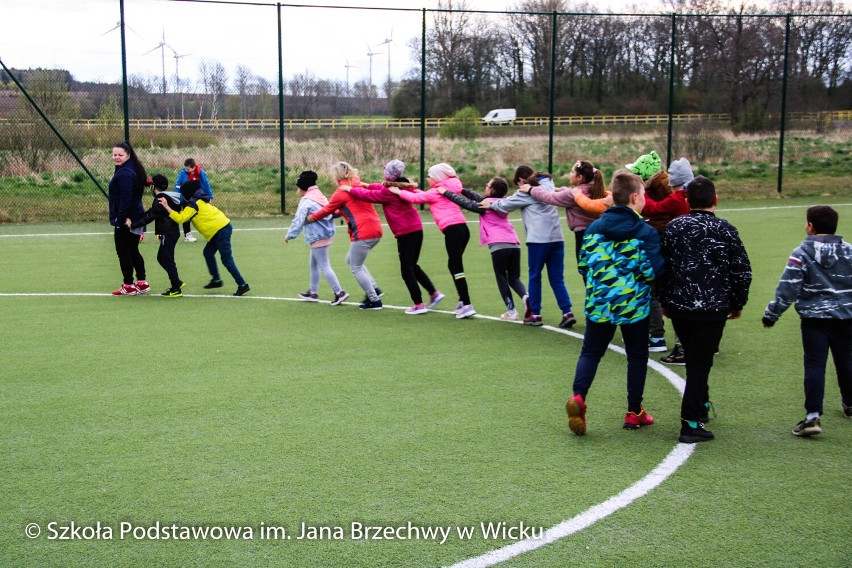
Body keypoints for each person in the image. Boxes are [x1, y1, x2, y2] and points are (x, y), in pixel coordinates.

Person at [565, 170, 664, 436]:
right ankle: (634, 412)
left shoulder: (594, 228)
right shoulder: (645, 232)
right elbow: (652, 271)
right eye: (643, 195)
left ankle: (579, 397)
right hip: (634, 305)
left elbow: (584, 265)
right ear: (634, 197)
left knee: (591, 353)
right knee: (637, 356)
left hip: (600, 302)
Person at [659, 176, 752, 443]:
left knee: (696, 359)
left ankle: (702, 404)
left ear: (687, 200)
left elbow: (661, 268)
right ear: (716, 200)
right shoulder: (726, 229)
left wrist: (664, 300)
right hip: (712, 307)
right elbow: (742, 271)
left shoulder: (674, 227)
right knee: (700, 363)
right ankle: (690, 423)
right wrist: (737, 302)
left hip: (680, 306)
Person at [762, 205, 852, 437]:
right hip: (845, 317)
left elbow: (788, 288)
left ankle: (813, 416)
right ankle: (850, 404)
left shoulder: (801, 253)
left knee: (815, 365)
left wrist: (772, 314)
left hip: (814, 320)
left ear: (810, 226)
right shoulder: (849, 251)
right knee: (846, 360)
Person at [344, 159, 444, 315]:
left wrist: (350, 189)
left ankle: (418, 304)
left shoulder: (388, 192)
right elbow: (379, 187)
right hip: (417, 229)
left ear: (388, 173)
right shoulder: (402, 184)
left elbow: (370, 196)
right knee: (413, 265)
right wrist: (367, 184)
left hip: (406, 233)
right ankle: (434, 293)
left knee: (406, 270)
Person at [485, 166, 575, 328]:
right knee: (557, 278)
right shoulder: (549, 187)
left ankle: (535, 314)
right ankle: (567, 312)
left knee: (535, 276)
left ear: (521, 180)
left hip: (538, 241)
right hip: (557, 238)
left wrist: (490, 205)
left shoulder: (526, 193)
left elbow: (505, 205)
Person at [389, 163, 475, 319]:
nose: (427, 178)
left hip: (453, 230)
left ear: (437, 178)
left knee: (456, 266)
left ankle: (467, 304)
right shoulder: (446, 189)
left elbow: (416, 198)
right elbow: (424, 194)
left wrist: (398, 191)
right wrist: (408, 189)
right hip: (463, 229)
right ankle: (463, 300)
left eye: (429, 176)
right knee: (453, 264)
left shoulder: (436, 192)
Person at [438, 176, 527, 321]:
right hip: (514, 243)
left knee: (501, 278)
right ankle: (526, 297)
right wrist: (461, 189)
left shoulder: (485, 206)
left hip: (499, 246)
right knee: (514, 277)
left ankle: (512, 311)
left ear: (491, 190)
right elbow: (476, 197)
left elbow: (465, 203)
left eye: (487, 185)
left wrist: (446, 192)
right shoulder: (502, 202)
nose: (485, 186)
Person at [307, 161, 383, 310]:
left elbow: (327, 209)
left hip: (363, 232)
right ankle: (375, 289)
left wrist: (311, 217)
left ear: (336, 176)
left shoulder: (341, 192)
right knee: (351, 260)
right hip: (376, 229)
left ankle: (374, 300)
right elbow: (343, 208)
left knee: (355, 267)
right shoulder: (358, 184)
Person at [158, 180, 250, 297]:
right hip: (218, 230)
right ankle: (216, 280)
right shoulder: (198, 200)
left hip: (221, 229)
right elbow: (186, 215)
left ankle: (242, 285)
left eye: (183, 193)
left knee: (226, 259)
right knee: (208, 253)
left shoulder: (193, 204)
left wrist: (166, 207)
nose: (182, 195)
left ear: (188, 193)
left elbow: (181, 218)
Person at [643, 157, 694, 364]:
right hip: (697, 255)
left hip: (681, 255)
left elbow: (652, 210)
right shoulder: (696, 192)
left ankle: (682, 348)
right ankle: (707, 344)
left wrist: (641, 193)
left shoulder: (678, 198)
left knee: (680, 302)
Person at [520, 160, 610, 265]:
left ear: (579, 177)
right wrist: (560, 189)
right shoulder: (593, 189)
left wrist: (531, 190)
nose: (569, 174)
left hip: (583, 236)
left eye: (572, 172)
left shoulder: (573, 195)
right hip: (600, 235)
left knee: (586, 270)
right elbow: (568, 192)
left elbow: (550, 198)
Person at [284, 170, 349, 306]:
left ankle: (339, 292)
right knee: (314, 264)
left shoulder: (306, 201)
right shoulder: (318, 195)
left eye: (298, 187)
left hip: (318, 236)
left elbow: (298, 220)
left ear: (303, 188)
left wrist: (290, 234)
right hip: (325, 233)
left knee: (324, 265)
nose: (297, 190)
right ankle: (313, 292)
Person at [128, 174, 184, 297]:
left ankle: (176, 287)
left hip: (169, 233)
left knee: (167, 259)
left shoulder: (160, 199)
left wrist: (133, 225)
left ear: (153, 187)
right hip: (170, 232)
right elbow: (151, 212)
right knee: (162, 258)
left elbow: (150, 216)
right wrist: (139, 217)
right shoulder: (166, 197)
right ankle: (177, 281)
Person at [108, 141, 149, 296]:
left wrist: (122, 218)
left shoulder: (125, 173)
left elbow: (126, 197)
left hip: (128, 218)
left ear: (128, 155)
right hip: (137, 215)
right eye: (114, 154)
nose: (117, 157)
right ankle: (141, 282)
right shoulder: (131, 168)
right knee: (132, 249)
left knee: (123, 251)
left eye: (120, 155)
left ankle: (128, 285)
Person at [174, 158, 213, 243]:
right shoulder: (182, 173)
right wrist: (178, 198)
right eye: (185, 168)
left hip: (199, 199)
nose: (186, 170)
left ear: (193, 167)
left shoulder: (201, 173)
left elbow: (206, 186)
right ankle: (187, 235)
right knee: (186, 217)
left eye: (188, 169)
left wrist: (209, 197)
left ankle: (210, 233)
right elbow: (177, 185)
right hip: (186, 199)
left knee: (203, 216)